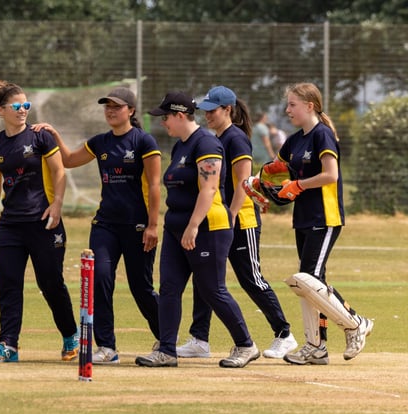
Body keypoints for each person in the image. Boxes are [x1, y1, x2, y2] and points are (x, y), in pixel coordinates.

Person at [32, 87, 161, 364]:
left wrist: (152, 225)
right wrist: (54, 135)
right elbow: (68, 160)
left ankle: (167, 339)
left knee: (142, 287)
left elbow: (153, 185)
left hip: (137, 225)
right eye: (107, 106)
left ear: (131, 111)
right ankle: (107, 347)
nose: (111, 111)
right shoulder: (100, 142)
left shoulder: (143, 141)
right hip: (105, 225)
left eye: (116, 106)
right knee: (100, 279)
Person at [135, 91, 259, 368]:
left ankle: (245, 344)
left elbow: (210, 188)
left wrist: (193, 226)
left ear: (180, 115)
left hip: (207, 228)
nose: (163, 123)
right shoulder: (181, 145)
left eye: (166, 117)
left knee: (212, 289)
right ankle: (167, 350)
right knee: (168, 288)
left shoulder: (206, 143)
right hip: (177, 228)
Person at [176, 86, 297, 360]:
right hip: (220, 220)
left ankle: (284, 334)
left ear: (227, 110)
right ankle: (199, 338)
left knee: (250, 278)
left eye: (212, 110)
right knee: (205, 276)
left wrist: (230, 217)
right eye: (204, 110)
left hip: (241, 220)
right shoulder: (213, 138)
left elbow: (243, 182)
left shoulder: (236, 139)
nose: (207, 114)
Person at [256, 82, 373, 365]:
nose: (287, 110)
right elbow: (274, 170)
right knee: (309, 283)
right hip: (304, 219)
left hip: (326, 217)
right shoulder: (295, 140)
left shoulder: (323, 135)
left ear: (310, 106)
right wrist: (257, 185)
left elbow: (330, 175)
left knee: (309, 278)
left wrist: (297, 185)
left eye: (292, 105)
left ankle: (356, 323)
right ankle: (316, 348)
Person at [0, 79, 79, 363]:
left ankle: (70, 335)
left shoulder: (40, 137)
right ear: (1, 111)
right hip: (11, 224)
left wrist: (57, 206)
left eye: (26, 105)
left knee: (50, 283)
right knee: (9, 285)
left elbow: (59, 172)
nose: (23, 110)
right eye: (17, 106)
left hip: (44, 222)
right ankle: (8, 345)